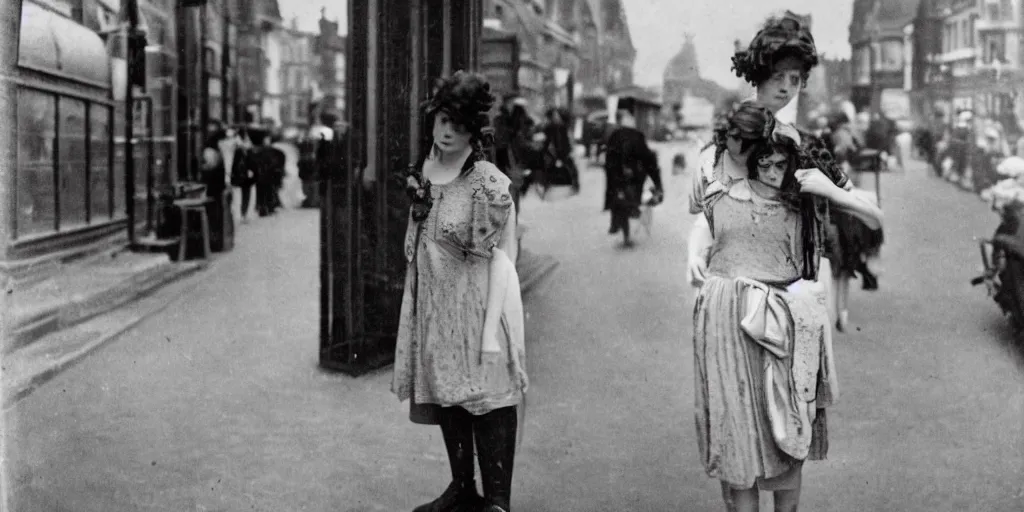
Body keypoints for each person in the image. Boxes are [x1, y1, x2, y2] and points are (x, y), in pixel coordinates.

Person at [691, 105, 882, 512]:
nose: (775, 171)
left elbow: (874, 216)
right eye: (765, 161)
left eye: (782, 163)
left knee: (787, 434)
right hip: (726, 326)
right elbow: (700, 220)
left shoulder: (804, 206)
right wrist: (695, 250)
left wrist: (830, 189)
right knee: (738, 440)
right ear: (752, 158)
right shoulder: (720, 194)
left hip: (783, 329)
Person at [391, 70, 526, 512]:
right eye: (442, 120)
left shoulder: (487, 182)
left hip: (476, 306)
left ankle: (498, 502)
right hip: (434, 304)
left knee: (485, 397)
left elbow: (504, 262)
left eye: (459, 125)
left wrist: (491, 332)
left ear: (474, 129)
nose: (447, 131)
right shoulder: (426, 169)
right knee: (448, 391)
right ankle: (461, 486)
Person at [688, 16, 853, 294]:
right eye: (778, 77)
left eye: (794, 79)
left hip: (792, 285)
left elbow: (843, 199)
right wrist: (693, 254)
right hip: (732, 283)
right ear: (759, 75)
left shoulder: (806, 145)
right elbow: (706, 215)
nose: (786, 88)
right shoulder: (725, 143)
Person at [827, 111, 883, 330]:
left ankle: (839, 313)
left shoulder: (840, 138)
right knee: (843, 270)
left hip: (839, 213)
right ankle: (842, 312)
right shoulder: (849, 136)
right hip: (844, 213)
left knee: (838, 270)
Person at [603, 106, 664, 247]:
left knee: (619, 202)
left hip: (619, 177)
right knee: (630, 201)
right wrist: (658, 183)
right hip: (635, 177)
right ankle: (628, 218)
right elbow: (649, 161)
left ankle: (621, 227)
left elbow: (609, 161)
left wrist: (612, 176)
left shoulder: (614, 136)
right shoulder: (637, 136)